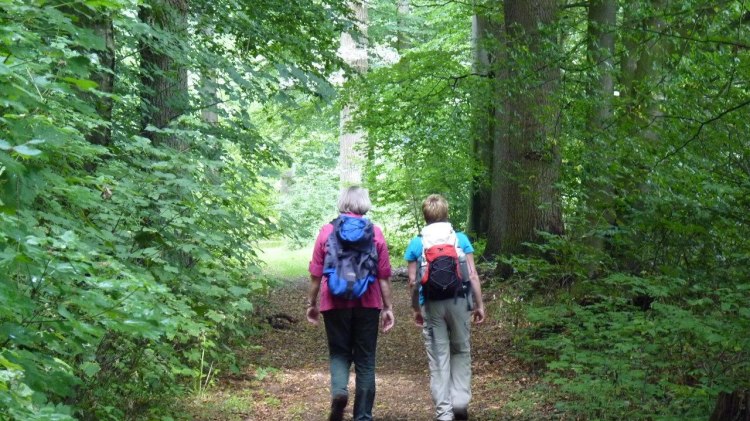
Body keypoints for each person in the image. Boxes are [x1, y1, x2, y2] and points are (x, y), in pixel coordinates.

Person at [306, 186, 395, 421]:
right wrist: (388, 308)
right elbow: (383, 276)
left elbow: (316, 274)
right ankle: (363, 416)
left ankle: (339, 392)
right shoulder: (375, 233)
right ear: (364, 204)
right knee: (365, 359)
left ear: (342, 203)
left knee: (339, 353)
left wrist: (311, 303)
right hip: (368, 301)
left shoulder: (326, 232)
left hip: (334, 302)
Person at [405, 194, 485, 421]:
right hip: (460, 301)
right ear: (446, 213)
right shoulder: (459, 238)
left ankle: (444, 414)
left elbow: (413, 282)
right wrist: (479, 305)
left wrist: (416, 309)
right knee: (460, 350)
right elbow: (472, 275)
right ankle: (460, 402)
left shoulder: (417, 242)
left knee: (439, 358)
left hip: (431, 304)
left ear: (425, 215)